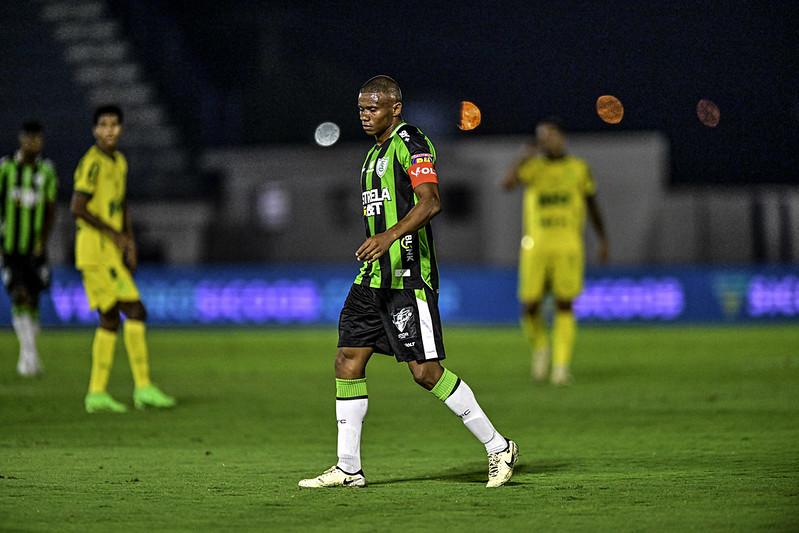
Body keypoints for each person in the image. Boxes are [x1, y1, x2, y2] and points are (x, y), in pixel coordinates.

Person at [299, 76, 518, 489]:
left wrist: (389, 236)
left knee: (425, 372)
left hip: (407, 277)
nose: (365, 116)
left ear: (395, 108)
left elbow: (431, 201)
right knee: (347, 359)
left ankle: (497, 447)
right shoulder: (371, 155)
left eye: (374, 108)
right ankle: (348, 468)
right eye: (362, 109)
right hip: (372, 280)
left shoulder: (411, 142)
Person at [71, 104, 175, 413]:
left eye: (115, 124)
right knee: (135, 309)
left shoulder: (119, 162)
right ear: (95, 130)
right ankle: (142, 387)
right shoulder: (91, 163)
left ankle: (97, 394)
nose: (109, 130)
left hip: (110, 253)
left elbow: (121, 204)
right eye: (103, 124)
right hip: (94, 251)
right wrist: (113, 234)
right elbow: (77, 206)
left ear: (121, 129)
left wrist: (128, 240)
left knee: (111, 318)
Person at [502, 117, 608, 385]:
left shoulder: (579, 169)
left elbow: (592, 205)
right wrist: (523, 156)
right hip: (535, 246)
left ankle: (561, 367)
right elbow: (506, 184)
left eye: (549, 135)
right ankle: (541, 349)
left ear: (561, 136)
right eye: (541, 136)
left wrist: (603, 239)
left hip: (567, 246)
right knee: (529, 306)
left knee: (564, 303)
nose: (545, 140)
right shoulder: (533, 167)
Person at [0, 121, 57, 377]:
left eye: (38, 138)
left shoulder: (46, 172)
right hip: (11, 247)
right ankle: (28, 356)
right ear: (21, 140)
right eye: (29, 138)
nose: (34, 143)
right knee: (18, 295)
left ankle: (31, 356)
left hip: (36, 248)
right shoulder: (5, 169)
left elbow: (50, 210)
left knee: (33, 299)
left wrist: (42, 241)